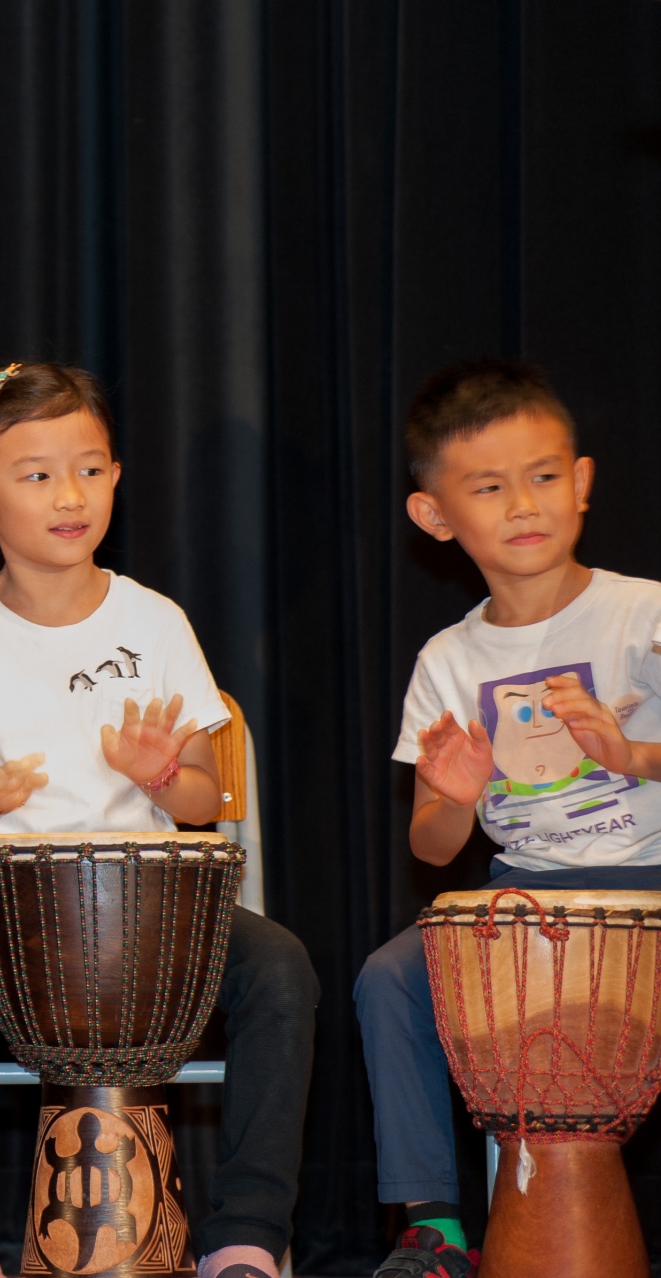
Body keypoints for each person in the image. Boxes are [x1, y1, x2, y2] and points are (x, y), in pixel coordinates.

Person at [0, 362, 318, 1278]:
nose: (69, 495)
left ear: (116, 475)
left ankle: (249, 1234)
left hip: (152, 905)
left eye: (88, 468)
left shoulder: (156, 622)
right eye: (36, 474)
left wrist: (165, 775)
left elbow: (205, 802)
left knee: (281, 967)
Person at [354, 360, 661, 1278]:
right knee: (389, 978)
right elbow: (431, 846)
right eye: (489, 487)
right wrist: (454, 793)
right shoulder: (447, 660)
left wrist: (630, 757)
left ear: (582, 481)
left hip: (650, 882)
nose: (524, 505)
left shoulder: (643, 614)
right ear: (436, 515)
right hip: (523, 894)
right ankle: (435, 1228)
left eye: (544, 476)